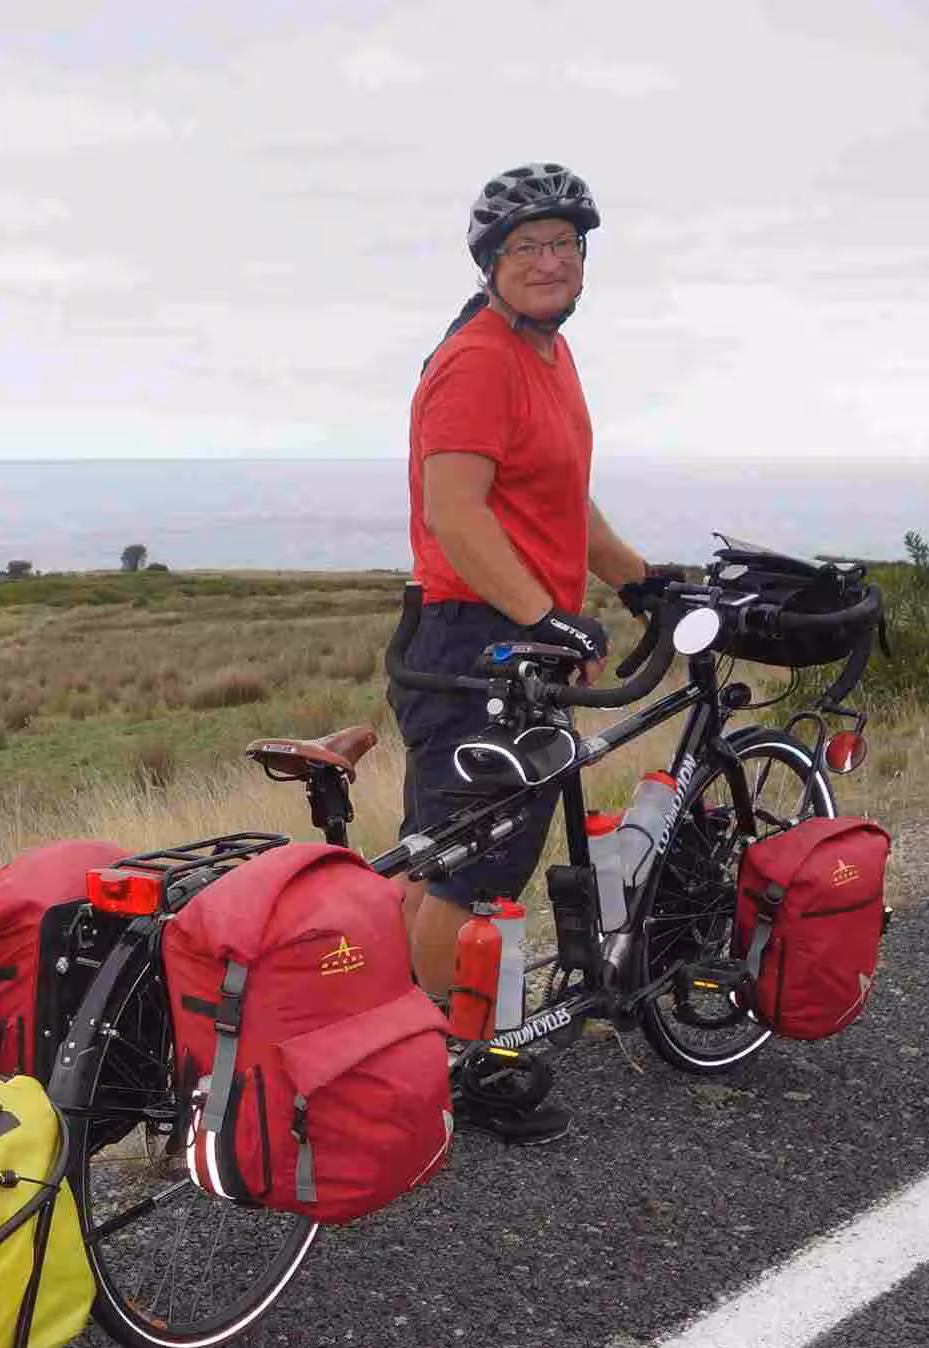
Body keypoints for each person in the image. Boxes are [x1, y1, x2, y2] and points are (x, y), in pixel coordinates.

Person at [392, 162, 675, 1145]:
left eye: (566, 245)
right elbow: (455, 514)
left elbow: (558, 496)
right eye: (528, 247)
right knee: (470, 873)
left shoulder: (549, 354)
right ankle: (451, 1072)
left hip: (512, 639)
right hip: (474, 643)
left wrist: (636, 580)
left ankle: (399, 1045)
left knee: (442, 857)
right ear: (490, 262)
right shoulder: (477, 361)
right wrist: (543, 614)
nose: (551, 261)